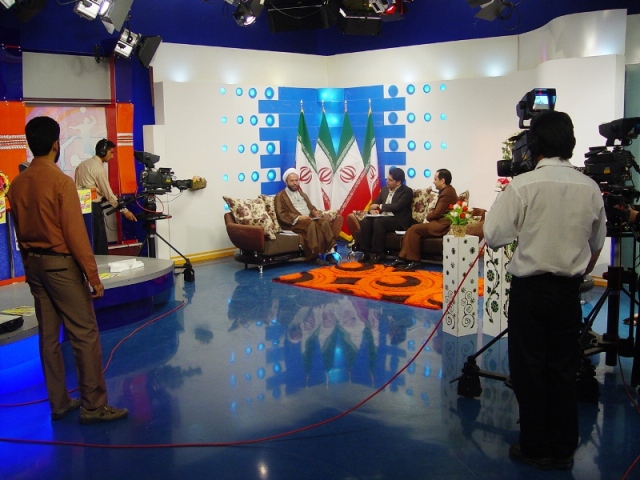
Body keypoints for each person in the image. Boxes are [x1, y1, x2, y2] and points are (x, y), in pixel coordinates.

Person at [483, 111, 606, 470]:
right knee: (564, 368)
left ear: (533, 145)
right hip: (568, 293)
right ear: (570, 143)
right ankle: (564, 449)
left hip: (531, 291)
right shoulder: (590, 187)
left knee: (529, 369)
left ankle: (535, 446)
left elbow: (494, 235)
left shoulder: (522, 186)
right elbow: (597, 242)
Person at [8, 116, 128, 424]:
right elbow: (76, 236)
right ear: (55, 144)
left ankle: (59, 403)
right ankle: (94, 406)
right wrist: (93, 276)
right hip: (60, 266)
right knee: (84, 333)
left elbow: (18, 229)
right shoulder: (61, 183)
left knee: (48, 336)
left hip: (33, 266)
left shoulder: (17, 184)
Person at [75, 138, 137, 255]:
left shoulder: (82, 165)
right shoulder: (98, 169)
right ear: (103, 152)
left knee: (87, 241)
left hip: (81, 208)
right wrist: (125, 211)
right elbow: (108, 193)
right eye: (111, 152)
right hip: (93, 209)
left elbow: (83, 187)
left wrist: (99, 193)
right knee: (99, 243)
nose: (112, 156)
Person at [391, 168, 457, 270]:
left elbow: (437, 213)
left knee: (414, 229)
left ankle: (414, 260)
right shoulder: (448, 190)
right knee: (412, 229)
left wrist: (428, 216)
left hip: (442, 224)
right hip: (439, 222)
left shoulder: (447, 193)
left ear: (442, 181)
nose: (433, 182)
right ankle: (402, 258)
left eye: (435, 179)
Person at [274, 168, 343, 265]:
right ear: (286, 182)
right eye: (292, 181)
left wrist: (315, 213)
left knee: (324, 222)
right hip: (293, 223)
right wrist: (298, 217)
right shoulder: (280, 196)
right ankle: (314, 256)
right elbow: (281, 214)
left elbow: (311, 207)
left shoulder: (302, 194)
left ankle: (331, 252)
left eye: (296, 180)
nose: (295, 183)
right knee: (311, 225)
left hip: (308, 219)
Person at [357, 167, 413, 264]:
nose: (387, 181)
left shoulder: (407, 191)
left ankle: (378, 253)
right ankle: (365, 252)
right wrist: (373, 211)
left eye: (390, 180)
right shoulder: (384, 190)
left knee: (379, 222)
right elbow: (374, 204)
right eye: (387, 179)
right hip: (383, 217)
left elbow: (397, 206)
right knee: (366, 221)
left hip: (398, 220)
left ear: (398, 182)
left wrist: (380, 206)